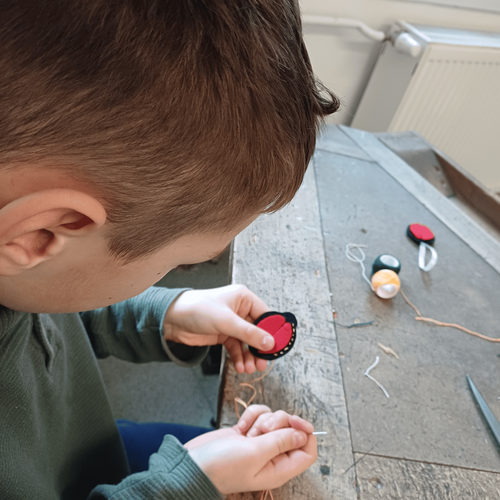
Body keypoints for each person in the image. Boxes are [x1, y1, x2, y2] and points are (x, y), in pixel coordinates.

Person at [0, 0, 340, 498]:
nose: (176, 271)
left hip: (85, 444)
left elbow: (45, 306)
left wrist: (165, 314)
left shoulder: (19, 264)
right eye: (178, 262)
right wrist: (181, 486)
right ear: (39, 234)